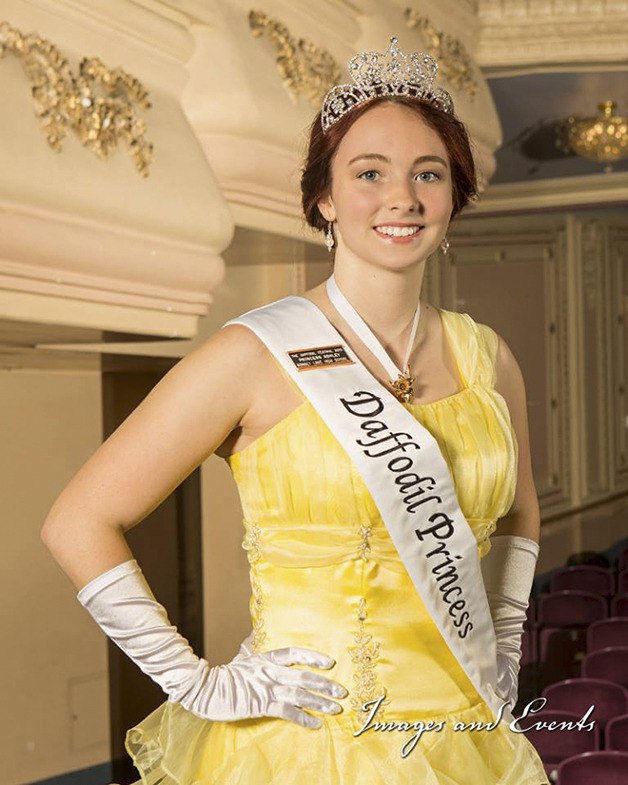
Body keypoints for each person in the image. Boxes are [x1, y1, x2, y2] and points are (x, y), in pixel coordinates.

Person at [41, 38, 549, 784]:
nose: (401, 198)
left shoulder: (489, 357)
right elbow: (76, 520)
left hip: (465, 733)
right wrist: (196, 681)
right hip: (307, 743)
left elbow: (522, 515)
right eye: (369, 173)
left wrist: (503, 647)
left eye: (427, 174)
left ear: (452, 196)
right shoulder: (252, 355)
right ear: (325, 198)